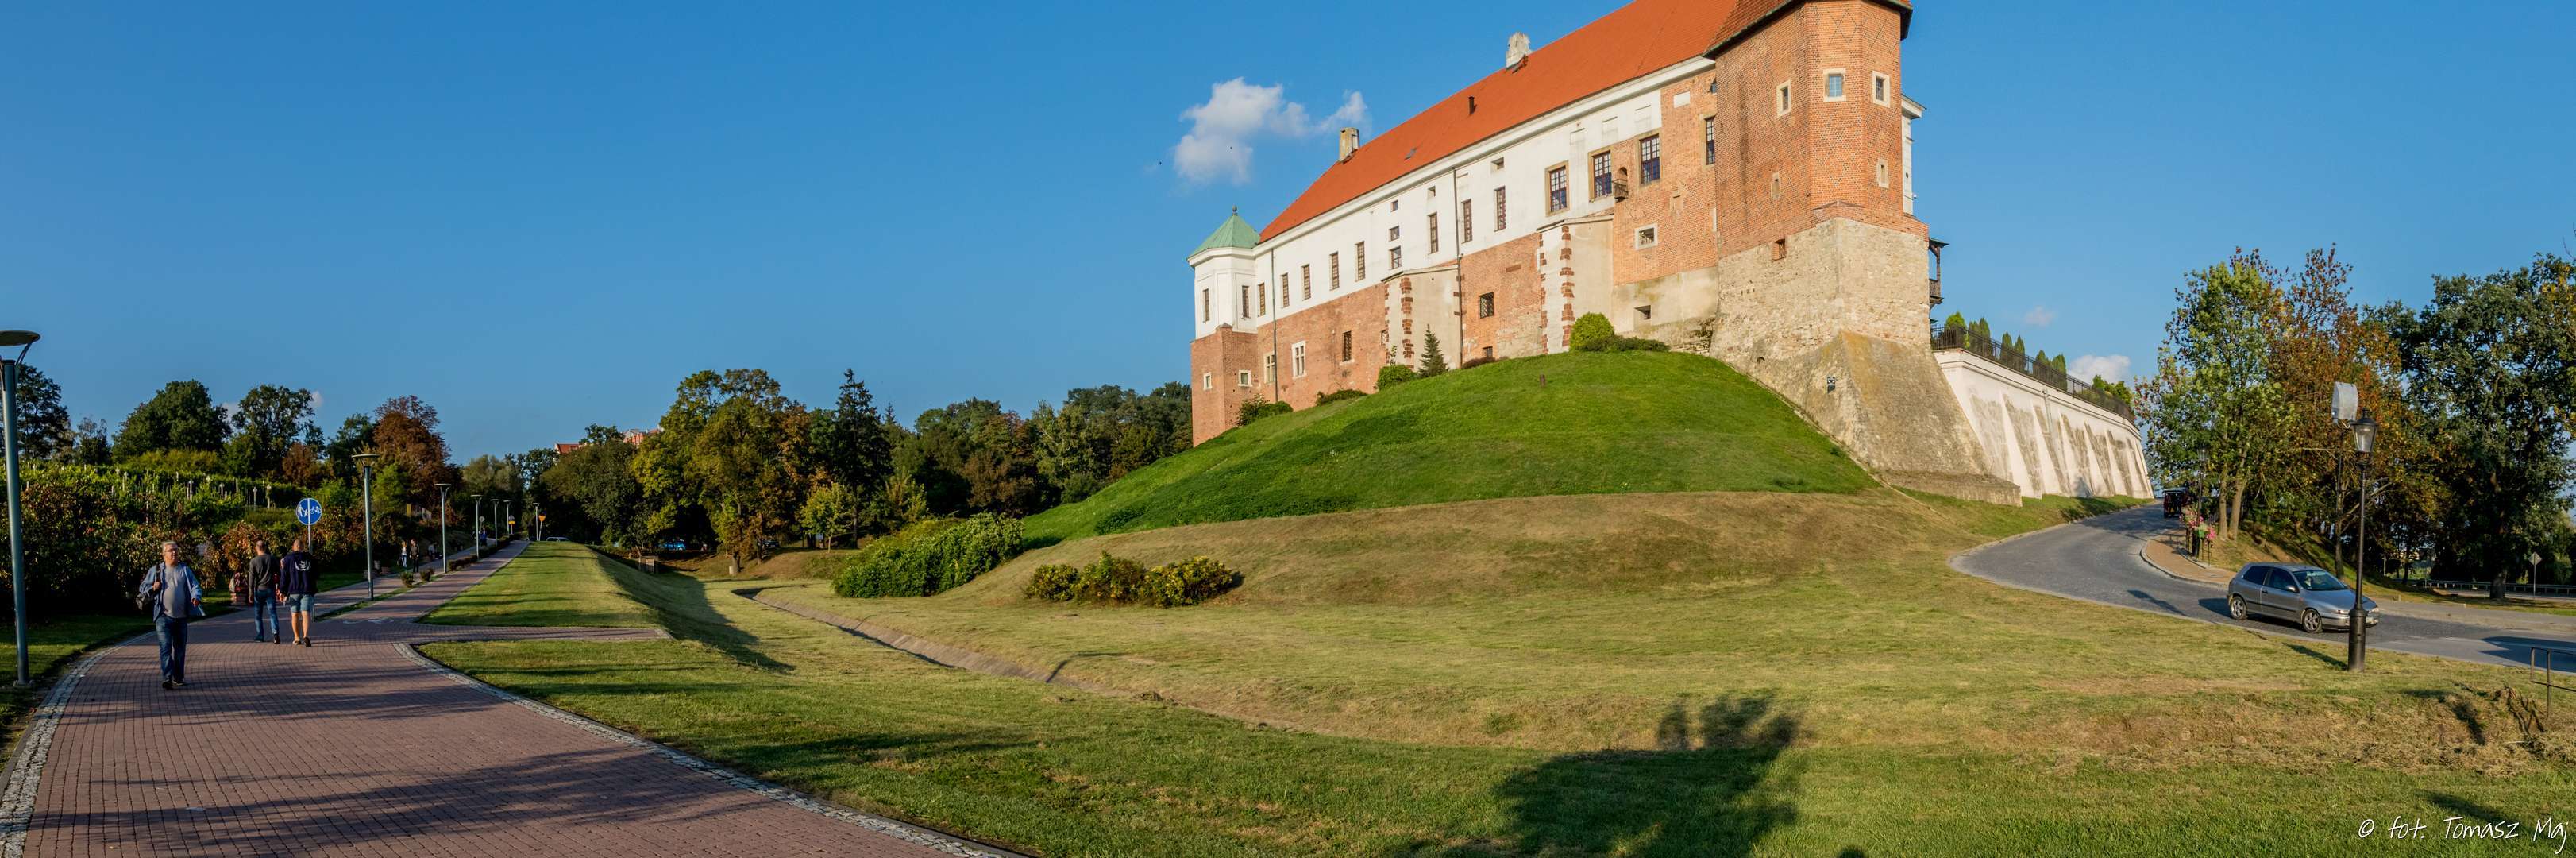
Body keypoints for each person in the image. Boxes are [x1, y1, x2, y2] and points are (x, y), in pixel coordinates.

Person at [137, 542, 205, 690]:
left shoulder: (184, 570)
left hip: (181, 617)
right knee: (165, 648)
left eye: (176, 550)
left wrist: (196, 597)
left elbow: (195, 586)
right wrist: (153, 587)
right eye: (170, 550)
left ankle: (178, 677)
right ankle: (167, 678)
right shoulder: (156, 570)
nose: (174, 553)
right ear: (164, 554)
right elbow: (143, 587)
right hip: (163, 616)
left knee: (180, 650)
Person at [279, 536, 321, 647]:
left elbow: (284, 576)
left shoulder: (287, 559)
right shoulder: (310, 558)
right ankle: (306, 636)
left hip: (294, 591)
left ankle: (297, 638)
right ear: (303, 547)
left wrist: (282, 590)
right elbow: (317, 574)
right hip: (307, 590)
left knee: (295, 615)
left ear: (293, 547)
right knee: (306, 613)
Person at [245, 539, 282, 644]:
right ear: (265, 547)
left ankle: (260, 636)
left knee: (258, 615)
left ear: (256, 548)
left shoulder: (253, 561)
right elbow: (279, 573)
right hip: (270, 589)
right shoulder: (272, 559)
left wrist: (251, 593)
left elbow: (251, 579)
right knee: (272, 613)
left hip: (259, 590)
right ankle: (275, 634)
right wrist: (279, 587)